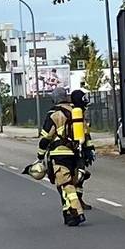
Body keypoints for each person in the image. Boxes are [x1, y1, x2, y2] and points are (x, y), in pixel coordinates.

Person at [36, 88, 94, 226]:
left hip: (60, 154)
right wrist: (88, 151)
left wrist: (40, 155)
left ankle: (77, 212)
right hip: (76, 153)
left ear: (54, 99)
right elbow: (85, 134)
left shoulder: (54, 114)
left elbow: (45, 138)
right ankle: (68, 214)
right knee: (69, 183)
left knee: (66, 184)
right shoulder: (76, 112)